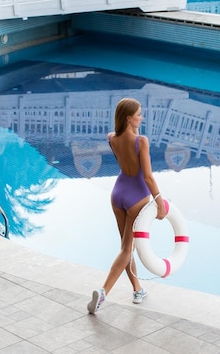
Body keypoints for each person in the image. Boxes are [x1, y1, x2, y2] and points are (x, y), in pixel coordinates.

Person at [87, 98, 167, 314]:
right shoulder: (141, 141)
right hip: (137, 198)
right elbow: (148, 177)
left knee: (125, 248)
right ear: (129, 118)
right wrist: (160, 203)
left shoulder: (111, 138)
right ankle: (103, 292)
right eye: (139, 114)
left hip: (118, 194)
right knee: (126, 249)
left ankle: (137, 289)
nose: (141, 117)